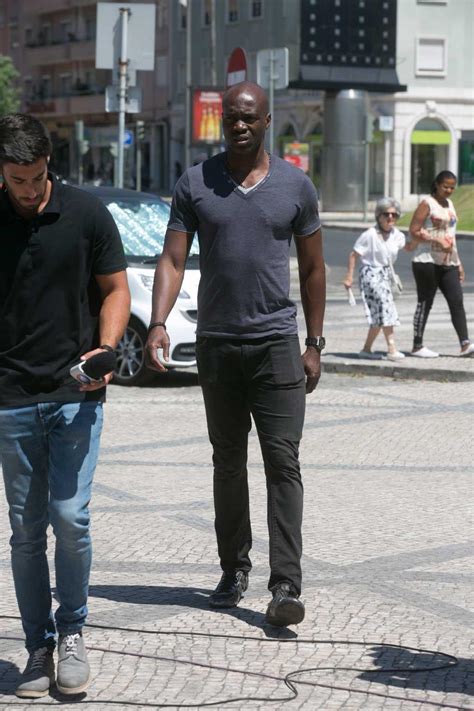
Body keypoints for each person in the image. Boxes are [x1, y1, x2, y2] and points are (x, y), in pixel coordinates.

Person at [145, 82, 325, 627]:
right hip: (218, 344)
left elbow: (315, 269)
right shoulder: (195, 183)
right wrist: (157, 322)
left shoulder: (296, 185)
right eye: (230, 119)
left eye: (248, 118)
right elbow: (173, 260)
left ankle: (286, 584)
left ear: (267, 120)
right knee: (227, 462)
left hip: (276, 344)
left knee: (283, 463)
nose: (239, 126)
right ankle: (233, 568)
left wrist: (314, 343)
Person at [0, 114, 130, 698]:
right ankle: (38, 646)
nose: (28, 191)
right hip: (10, 397)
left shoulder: (87, 213)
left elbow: (116, 289)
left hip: (76, 392)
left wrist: (104, 349)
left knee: (70, 519)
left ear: (49, 164)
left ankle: (73, 630)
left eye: (35, 178)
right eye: (16, 180)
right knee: (25, 532)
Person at [407, 170, 473, 357]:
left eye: (452, 187)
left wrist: (458, 262)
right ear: (436, 184)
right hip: (426, 260)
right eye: (446, 186)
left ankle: (465, 343)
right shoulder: (427, 204)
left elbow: (451, 236)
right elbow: (414, 230)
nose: (449, 190)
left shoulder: (450, 204)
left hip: (448, 260)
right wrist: (435, 240)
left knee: (456, 300)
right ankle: (417, 345)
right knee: (425, 302)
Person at [343, 198, 406, 360]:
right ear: (379, 216)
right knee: (386, 307)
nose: (390, 218)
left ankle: (366, 349)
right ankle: (392, 348)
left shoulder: (397, 235)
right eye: (386, 214)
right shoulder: (369, 235)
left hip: (386, 275)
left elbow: (407, 246)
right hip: (370, 274)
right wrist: (349, 277)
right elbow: (353, 255)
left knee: (380, 313)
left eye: (394, 215)